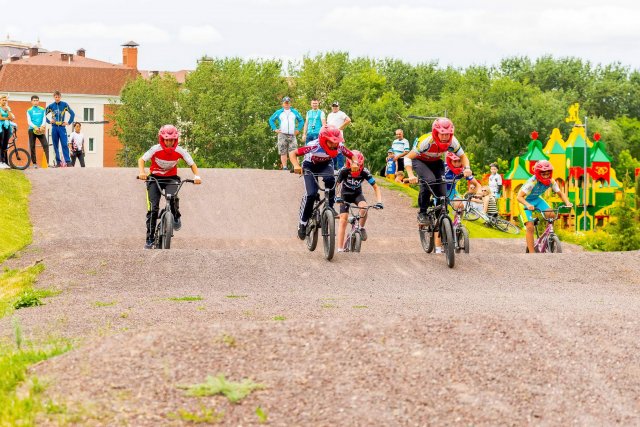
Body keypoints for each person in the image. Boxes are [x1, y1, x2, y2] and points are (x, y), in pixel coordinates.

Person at [405, 118, 472, 253]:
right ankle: (423, 212)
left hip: (436, 163)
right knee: (428, 181)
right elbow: (408, 157)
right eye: (442, 134)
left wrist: (467, 168)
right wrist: (411, 175)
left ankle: (441, 218)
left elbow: (463, 157)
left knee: (443, 195)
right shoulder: (427, 141)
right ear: (436, 132)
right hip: (420, 161)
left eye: (448, 134)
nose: (445, 137)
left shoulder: (453, 142)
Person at [289, 126, 359, 240]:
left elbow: (352, 155)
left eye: (336, 142)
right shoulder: (314, 145)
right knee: (311, 194)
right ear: (323, 139)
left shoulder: (339, 146)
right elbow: (293, 153)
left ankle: (329, 207)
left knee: (330, 179)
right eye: (331, 142)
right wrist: (296, 166)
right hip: (309, 166)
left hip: (326, 165)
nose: (334, 145)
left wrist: (354, 163)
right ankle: (302, 223)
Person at [138, 125, 202, 249]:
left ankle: (176, 216)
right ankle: (150, 239)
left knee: (172, 197)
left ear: (175, 139)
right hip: (154, 179)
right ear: (162, 139)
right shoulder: (155, 149)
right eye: (167, 140)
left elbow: (191, 163)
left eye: (172, 140)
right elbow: (142, 159)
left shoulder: (179, 150)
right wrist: (142, 172)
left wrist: (197, 176)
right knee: (153, 209)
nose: (169, 142)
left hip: (171, 179)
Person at [517, 160, 572, 254]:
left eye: (548, 173)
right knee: (530, 227)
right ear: (538, 173)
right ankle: (531, 253)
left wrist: (567, 202)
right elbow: (519, 197)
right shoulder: (532, 182)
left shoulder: (551, 181)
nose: (546, 176)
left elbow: (560, 193)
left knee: (551, 214)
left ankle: (546, 237)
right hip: (524, 201)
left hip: (536, 199)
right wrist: (528, 205)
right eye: (544, 174)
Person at [335, 150, 383, 251]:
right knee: (343, 220)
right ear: (349, 164)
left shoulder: (364, 172)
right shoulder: (344, 171)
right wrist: (338, 196)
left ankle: (360, 228)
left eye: (359, 167)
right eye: (353, 169)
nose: (356, 170)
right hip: (345, 195)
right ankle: (340, 248)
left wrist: (379, 202)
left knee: (364, 207)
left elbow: (376, 187)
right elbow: (337, 185)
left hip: (357, 194)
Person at [268, 96, 304, 170]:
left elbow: (301, 120)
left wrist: (298, 129)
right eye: (285, 103)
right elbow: (271, 120)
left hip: (292, 134)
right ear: (283, 104)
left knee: (294, 151)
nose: (287, 104)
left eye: (288, 103)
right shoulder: (279, 112)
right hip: (282, 134)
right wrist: (275, 129)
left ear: (290, 104)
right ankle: (284, 167)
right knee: (283, 151)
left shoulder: (294, 112)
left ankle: (296, 167)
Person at [46, 91, 75, 167]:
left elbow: (72, 113)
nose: (57, 98)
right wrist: (49, 121)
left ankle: (68, 162)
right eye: (56, 97)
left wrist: (68, 122)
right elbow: (43, 115)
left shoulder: (64, 104)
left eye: (58, 97)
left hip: (62, 128)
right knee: (55, 145)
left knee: (64, 144)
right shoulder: (51, 106)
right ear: (54, 97)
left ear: (60, 97)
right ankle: (58, 162)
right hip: (54, 128)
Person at [326, 101, 351, 170]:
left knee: (339, 152)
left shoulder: (341, 114)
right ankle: (333, 169)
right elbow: (328, 125)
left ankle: (341, 169)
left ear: (338, 107)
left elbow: (348, 120)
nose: (334, 107)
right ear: (332, 107)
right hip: (331, 136)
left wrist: (340, 128)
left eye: (336, 106)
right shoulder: (329, 115)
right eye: (333, 106)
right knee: (332, 152)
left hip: (338, 136)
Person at [27, 95, 50, 168]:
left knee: (45, 145)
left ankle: (47, 163)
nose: (36, 102)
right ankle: (34, 163)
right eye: (34, 100)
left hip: (40, 130)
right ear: (31, 102)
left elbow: (44, 119)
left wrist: (42, 126)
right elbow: (29, 121)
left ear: (38, 101)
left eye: (37, 100)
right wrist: (35, 127)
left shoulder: (42, 109)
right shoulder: (29, 110)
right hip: (32, 130)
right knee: (32, 146)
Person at [0, 95, 15, 169]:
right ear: (0, 100)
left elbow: (12, 118)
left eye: (5, 100)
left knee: (5, 143)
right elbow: (0, 118)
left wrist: (8, 110)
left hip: (7, 127)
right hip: (1, 126)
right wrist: (7, 118)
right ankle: (1, 161)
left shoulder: (8, 108)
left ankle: (4, 161)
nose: (4, 101)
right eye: (3, 100)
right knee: (1, 142)